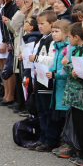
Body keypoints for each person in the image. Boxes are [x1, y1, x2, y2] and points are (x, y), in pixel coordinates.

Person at [61, 22, 83, 165]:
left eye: (69, 36)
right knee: (79, 126)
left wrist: (67, 65)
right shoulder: (77, 49)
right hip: (76, 97)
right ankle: (82, 152)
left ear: (76, 37)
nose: (68, 39)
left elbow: (80, 73)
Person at [26, 10, 57, 152]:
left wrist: (37, 59)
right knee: (41, 110)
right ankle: (43, 137)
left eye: (42, 23)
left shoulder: (52, 39)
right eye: (38, 23)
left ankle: (50, 139)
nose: (39, 26)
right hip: (39, 79)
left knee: (47, 111)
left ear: (51, 23)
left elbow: (53, 60)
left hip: (47, 80)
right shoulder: (43, 38)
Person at [47, 19, 71, 150]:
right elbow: (55, 66)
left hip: (65, 89)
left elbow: (68, 70)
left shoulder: (68, 48)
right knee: (57, 119)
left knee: (65, 119)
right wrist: (48, 72)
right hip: (57, 89)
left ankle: (67, 144)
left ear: (66, 33)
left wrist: (55, 74)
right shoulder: (57, 46)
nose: (53, 34)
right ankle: (57, 142)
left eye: (57, 31)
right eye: (52, 32)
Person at [0, 0, 18, 106]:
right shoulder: (4, 6)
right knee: (3, 68)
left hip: (7, 39)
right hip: (1, 38)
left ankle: (10, 96)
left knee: (8, 68)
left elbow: (10, 25)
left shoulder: (11, 5)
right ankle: (6, 94)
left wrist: (6, 41)